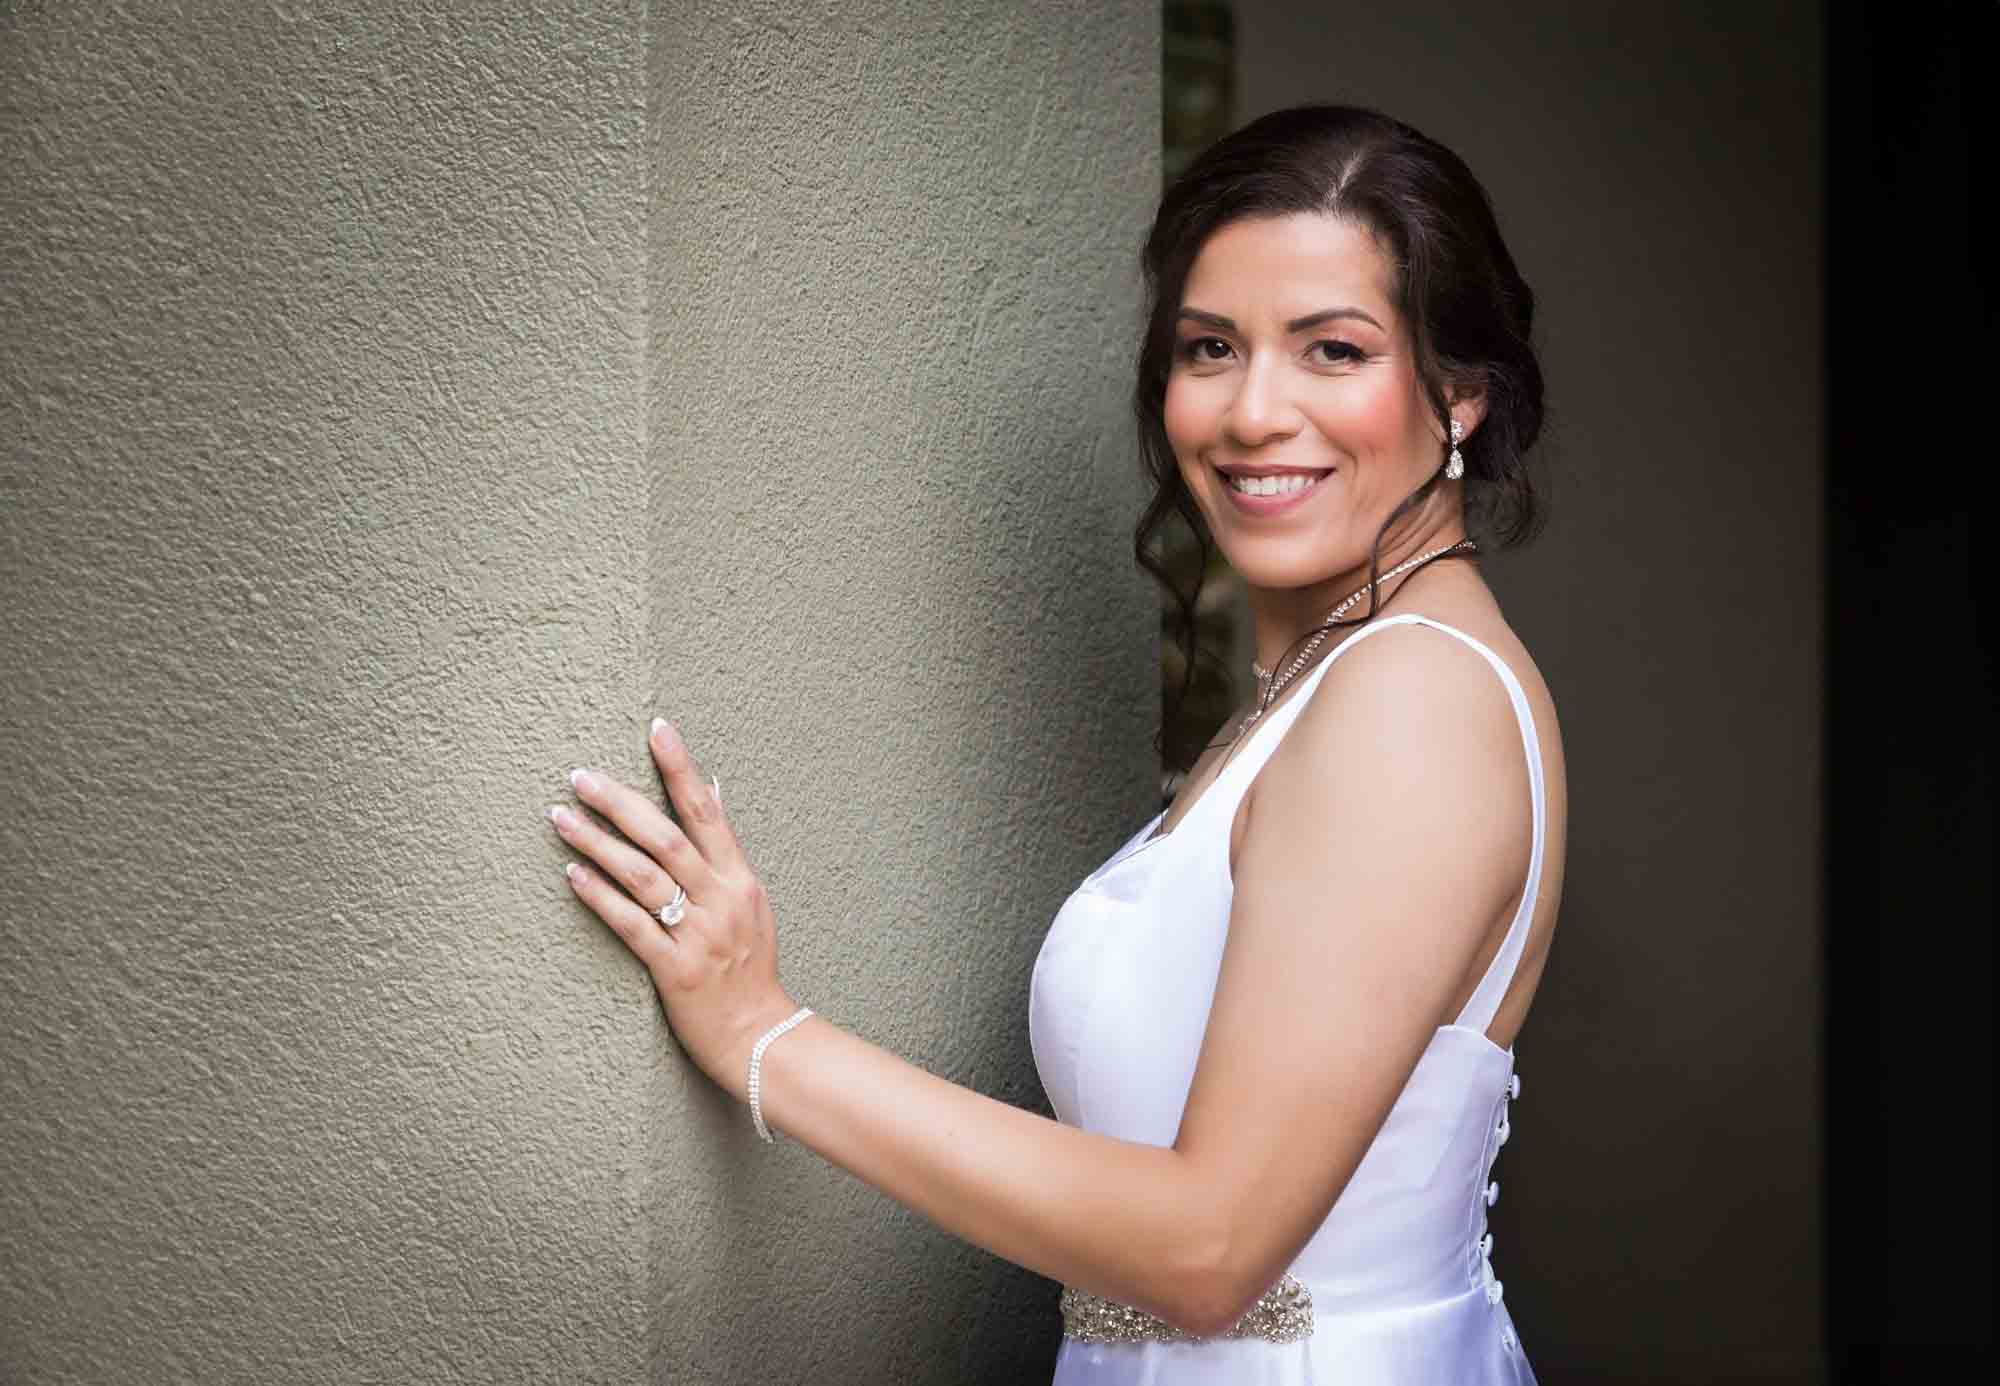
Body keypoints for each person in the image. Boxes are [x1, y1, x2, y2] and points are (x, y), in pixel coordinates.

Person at [547, 103, 1566, 1384]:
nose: (1253, 412)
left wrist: (766, 1035)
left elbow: (1210, 1249)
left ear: (1457, 393)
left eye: (1331, 350)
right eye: (1210, 347)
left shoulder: (1410, 697)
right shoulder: (1333, 675)